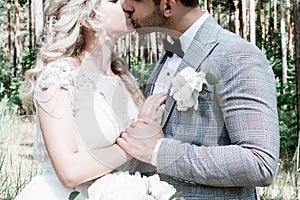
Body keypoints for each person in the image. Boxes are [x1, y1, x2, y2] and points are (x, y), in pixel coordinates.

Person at [117, 0, 280, 199]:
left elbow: (259, 162)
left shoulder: (237, 55)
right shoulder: (168, 54)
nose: (125, 5)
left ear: (168, 6)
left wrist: (160, 151)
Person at [15, 0, 166, 199]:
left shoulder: (125, 80)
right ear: (88, 19)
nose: (127, 3)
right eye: (113, 0)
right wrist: (136, 144)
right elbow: (69, 172)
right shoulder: (59, 78)